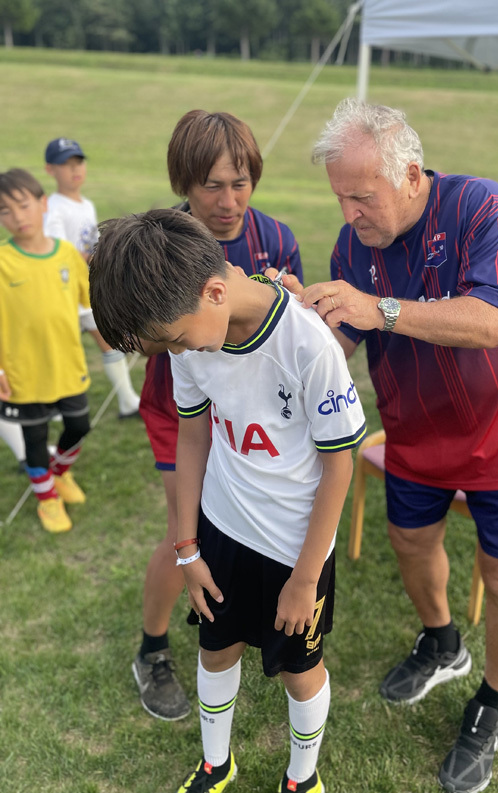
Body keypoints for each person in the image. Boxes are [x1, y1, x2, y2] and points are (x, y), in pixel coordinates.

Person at [281, 98, 498, 793]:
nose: (349, 212)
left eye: (361, 196)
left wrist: (375, 307)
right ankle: (441, 640)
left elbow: (492, 322)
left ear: (410, 174)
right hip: (415, 426)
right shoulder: (353, 246)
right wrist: (295, 320)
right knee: (410, 542)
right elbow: (340, 343)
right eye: (340, 197)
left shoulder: (479, 207)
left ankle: (492, 702)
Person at [89, 208, 366, 793]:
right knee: (216, 650)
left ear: (214, 292)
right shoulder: (189, 333)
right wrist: (187, 549)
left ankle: (302, 777)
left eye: (175, 339)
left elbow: (339, 464)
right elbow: (193, 437)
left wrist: (305, 578)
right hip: (221, 528)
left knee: (299, 670)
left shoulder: (308, 344)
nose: (176, 351)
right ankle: (217, 763)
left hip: (295, 547)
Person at [131, 110, 304, 723]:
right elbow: (135, 338)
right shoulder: (158, 241)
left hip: (248, 414)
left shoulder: (277, 237)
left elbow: (291, 332)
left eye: (241, 183)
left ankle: (232, 629)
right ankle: (152, 650)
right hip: (178, 409)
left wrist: (285, 298)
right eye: (211, 186)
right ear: (183, 183)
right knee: (186, 531)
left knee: (241, 528)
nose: (228, 202)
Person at [0, 168, 92, 533]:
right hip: (23, 373)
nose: (17, 216)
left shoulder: (67, 254)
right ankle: (47, 499)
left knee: (79, 425)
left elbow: (90, 301)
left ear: (42, 204)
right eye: (5, 210)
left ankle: (60, 472)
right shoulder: (2, 261)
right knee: (34, 439)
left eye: (23, 205)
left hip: (67, 365)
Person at [44, 137, 141, 419]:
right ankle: (54, 405)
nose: (74, 169)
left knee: (108, 339)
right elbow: (58, 250)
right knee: (61, 350)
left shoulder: (86, 205)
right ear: (50, 170)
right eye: (66, 164)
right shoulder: (54, 207)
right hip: (63, 290)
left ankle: (127, 401)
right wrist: (89, 258)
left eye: (78, 162)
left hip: (86, 289)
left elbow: (93, 243)